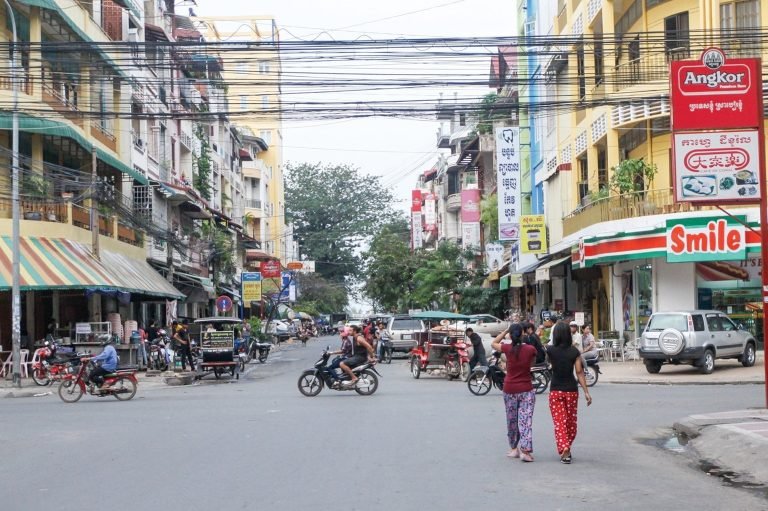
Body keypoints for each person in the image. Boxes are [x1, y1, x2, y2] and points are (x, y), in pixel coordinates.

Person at [546, 320, 593, 464]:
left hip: (555, 391)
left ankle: (565, 448)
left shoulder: (550, 350)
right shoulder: (574, 352)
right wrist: (586, 392)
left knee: (560, 422)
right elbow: (579, 372)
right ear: (568, 334)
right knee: (571, 424)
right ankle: (566, 449)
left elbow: (548, 364)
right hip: (571, 391)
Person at [492, 323, 537, 462]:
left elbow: (493, 343)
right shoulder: (530, 349)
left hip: (509, 388)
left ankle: (513, 448)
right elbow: (532, 364)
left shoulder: (507, 348)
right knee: (525, 421)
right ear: (523, 333)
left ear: (510, 335)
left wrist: (505, 330)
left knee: (512, 420)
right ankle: (525, 451)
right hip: (526, 389)